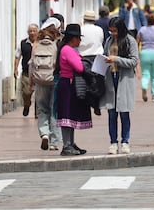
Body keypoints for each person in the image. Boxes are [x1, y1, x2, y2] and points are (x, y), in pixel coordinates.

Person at [101, 17, 140, 154]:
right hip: (111, 77)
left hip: (124, 78)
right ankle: (113, 142)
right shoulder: (109, 41)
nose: (113, 34)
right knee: (111, 112)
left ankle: (125, 141)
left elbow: (134, 61)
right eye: (111, 31)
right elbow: (105, 54)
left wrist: (116, 59)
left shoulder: (130, 41)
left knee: (124, 112)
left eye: (115, 31)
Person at [55, 23, 92, 156]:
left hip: (69, 84)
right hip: (67, 85)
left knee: (70, 116)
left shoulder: (69, 49)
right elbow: (79, 67)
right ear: (73, 38)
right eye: (78, 38)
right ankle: (66, 144)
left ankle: (70, 142)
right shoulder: (68, 50)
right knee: (67, 115)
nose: (80, 41)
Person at [32, 19, 62, 150]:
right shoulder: (56, 45)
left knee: (42, 109)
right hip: (53, 80)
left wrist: (31, 82)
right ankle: (54, 142)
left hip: (39, 81)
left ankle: (44, 134)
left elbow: (31, 64)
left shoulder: (37, 45)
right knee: (54, 110)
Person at [78, 10, 105, 116]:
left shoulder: (80, 29)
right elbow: (101, 40)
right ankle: (96, 102)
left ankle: (86, 102)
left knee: (84, 80)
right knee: (98, 80)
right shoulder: (99, 29)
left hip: (83, 56)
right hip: (97, 56)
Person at [15, 23, 39, 116]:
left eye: (34, 31)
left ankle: (38, 112)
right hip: (26, 72)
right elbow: (17, 56)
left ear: (37, 32)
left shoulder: (41, 43)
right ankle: (27, 105)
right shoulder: (23, 43)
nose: (32, 33)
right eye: (30, 31)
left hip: (38, 72)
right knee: (26, 92)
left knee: (39, 94)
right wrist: (15, 68)